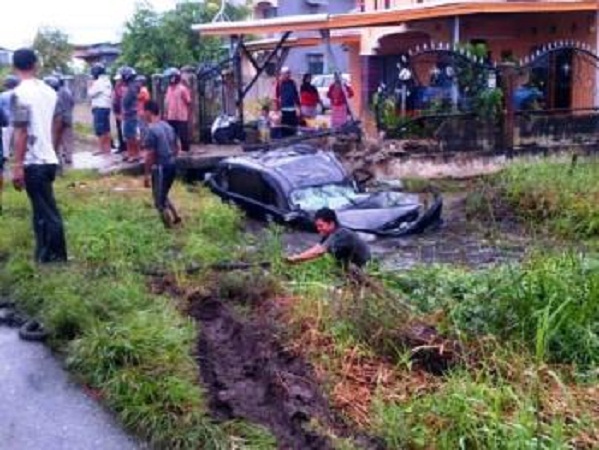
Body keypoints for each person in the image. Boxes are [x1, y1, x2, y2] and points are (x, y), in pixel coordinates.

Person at [11, 48, 67, 263]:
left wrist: (17, 165)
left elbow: (22, 130)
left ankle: (57, 257)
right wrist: (50, 146)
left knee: (47, 212)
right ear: (35, 65)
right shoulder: (49, 91)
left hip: (34, 161)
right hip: (48, 159)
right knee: (39, 211)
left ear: (15, 67)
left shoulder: (19, 94)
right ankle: (43, 255)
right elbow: (59, 122)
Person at [285, 208, 370, 269]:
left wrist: (296, 259)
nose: (318, 229)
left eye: (321, 226)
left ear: (331, 223)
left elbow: (318, 252)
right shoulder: (330, 235)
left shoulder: (341, 234)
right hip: (350, 265)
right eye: (317, 226)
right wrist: (298, 258)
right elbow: (317, 247)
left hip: (363, 268)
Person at [142, 100, 181, 228]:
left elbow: (150, 155)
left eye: (144, 111)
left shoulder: (151, 130)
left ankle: (169, 228)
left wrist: (147, 174)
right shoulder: (168, 126)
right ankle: (176, 217)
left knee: (159, 202)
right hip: (172, 165)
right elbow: (177, 148)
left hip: (160, 168)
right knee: (163, 193)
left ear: (148, 112)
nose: (142, 114)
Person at [45, 74, 75, 166]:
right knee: (67, 138)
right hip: (68, 117)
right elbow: (72, 103)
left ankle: (57, 158)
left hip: (58, 118)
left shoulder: (54, 94)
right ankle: (68, 157)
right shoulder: (67, 91)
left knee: (56, 138)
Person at [164, 68, 191, 153]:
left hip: (181, 116)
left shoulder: (182, 89)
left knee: (183, 135)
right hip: (171, 116)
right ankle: (174, 150)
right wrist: (166, 113)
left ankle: (185, 151)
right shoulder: (169, 88)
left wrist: (188, 114)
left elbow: (188, 101)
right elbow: (167, 102)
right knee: (171, 135)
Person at [88, 63, 113, 155]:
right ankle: (107, 148)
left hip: (99, 108)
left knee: (100, 129)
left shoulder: (99, 82)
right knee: (106, 129)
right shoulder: (107, 81)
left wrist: (90, 85)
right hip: (106, 107)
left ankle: (101, 149)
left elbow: (90, 93)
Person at [119, 66, 141, 163]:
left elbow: (126, 101)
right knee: (128, 135)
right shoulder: (131, 86)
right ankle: (131, 153)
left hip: (131, 114)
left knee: (131, 136)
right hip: (128, 114)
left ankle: (135, 155)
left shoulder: (132, 87)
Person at [275, 66, 300, 137]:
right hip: (283, 109)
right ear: (282, 74)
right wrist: (277, 110)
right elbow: (276, 96)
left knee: (292, 127)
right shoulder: (279, 83)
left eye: (289, 73)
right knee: (284, 128)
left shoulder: (292, 83)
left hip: (292, 109)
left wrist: (298, 106)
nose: (288, 75)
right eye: (286, 73)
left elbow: (296, 95)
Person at [0, 75, 19, 161]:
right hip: (18, 120)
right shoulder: (19, 93)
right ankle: (17, 154)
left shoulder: (2, 95)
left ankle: (5, 155)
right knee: (17, 139)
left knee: (5, 140)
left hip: (6, 121)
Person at [112, 73, 126, 154]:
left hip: (122, 112)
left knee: (123, 129)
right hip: (117, 111)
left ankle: (124, 146)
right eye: (116, 80)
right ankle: (121, 145)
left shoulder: (123, 88)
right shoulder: (116, 88)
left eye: (118, 80)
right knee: (119, 129)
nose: (117, 81)